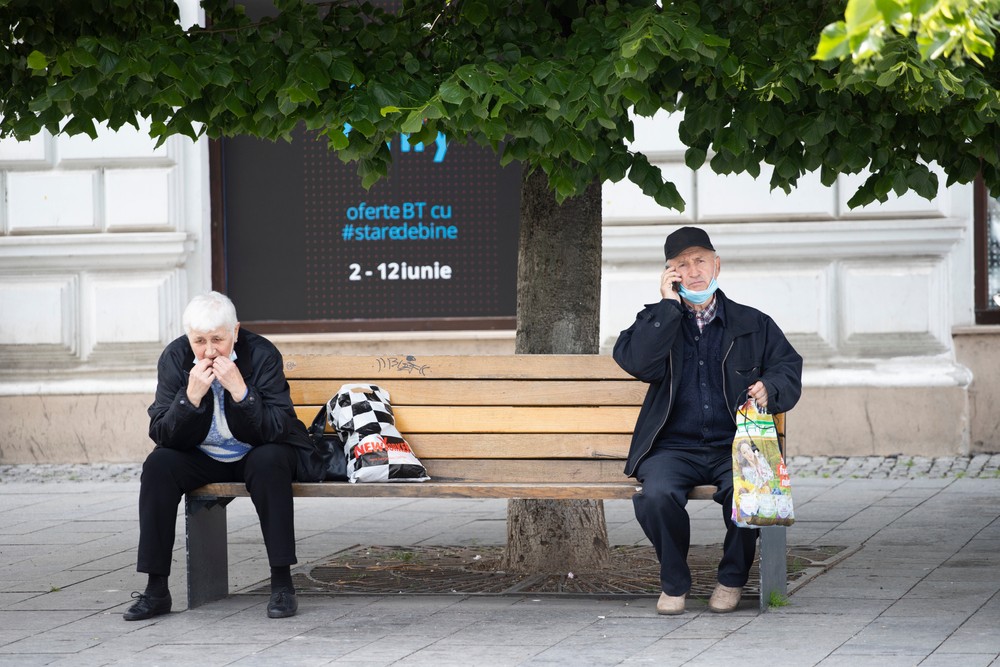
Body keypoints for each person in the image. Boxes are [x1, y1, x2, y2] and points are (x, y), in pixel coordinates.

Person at [612, 226, 802, 615]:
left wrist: (771, 386)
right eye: (682, 264)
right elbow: (636, 363)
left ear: (717, 265)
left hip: (736, 444)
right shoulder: (656, 320)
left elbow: (789, 368)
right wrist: (668, 308)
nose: (693, 270)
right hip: (672, 446)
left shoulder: (753, 322)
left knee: (746, 492)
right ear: (670, 274)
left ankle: (732, 579)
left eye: (700, 260)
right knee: (655, 496)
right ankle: (675, 581)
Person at [123, 291, 314, 621]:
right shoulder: (175, 358)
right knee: (158, 466)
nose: (209, 351)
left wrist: (242, 392)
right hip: (200, 454)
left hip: (255, 451)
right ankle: (156, 590)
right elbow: (162, 433)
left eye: (218, 339)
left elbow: (278, 427)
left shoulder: (262, 354)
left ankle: (282, 584)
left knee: (270, 461)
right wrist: (190, 398)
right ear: (188, 337)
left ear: (235, 332)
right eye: (199, 341)